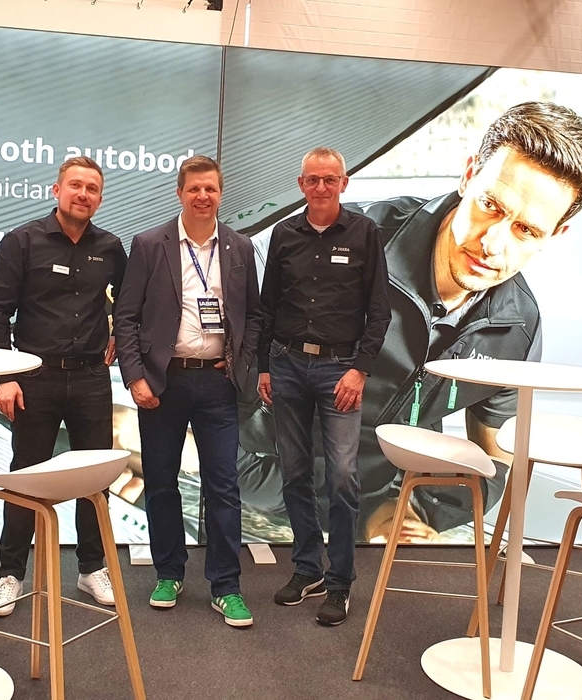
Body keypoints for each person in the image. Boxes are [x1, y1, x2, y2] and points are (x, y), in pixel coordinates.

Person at [239, 101, 582, 557]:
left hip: (369, 517)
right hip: (247, 492)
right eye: (490, 205)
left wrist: (411, 511)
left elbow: (495, 460)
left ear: (556, 235)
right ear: (469, 175)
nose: (492, 244)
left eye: (526, 230)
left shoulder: (517, 327)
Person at [113, 155, 262, 627]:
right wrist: (135, 376)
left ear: (221, 193)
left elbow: (254, 316)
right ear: (179, 193)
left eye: (210, 189)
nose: (202, 196)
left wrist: (239, 362)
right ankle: (169, 573)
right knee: (160, 481)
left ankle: (226, 585)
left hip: (217, 383)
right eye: (194, 188)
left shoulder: (239, 247)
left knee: (223, 484)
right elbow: (126, 317)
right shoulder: (149, 244)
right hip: (163, 381)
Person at [0, 155, 128, 615]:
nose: (83, 194)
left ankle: (91, 568)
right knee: (25, 477)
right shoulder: (22, 241)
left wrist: (118, 334)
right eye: (75, 186)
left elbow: (128, 305)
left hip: (91, 378)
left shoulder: (110, 247)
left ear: (100, 198)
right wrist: (5, 377)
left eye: (92, 189)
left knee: (94, 477)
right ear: (57, 190)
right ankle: (11, 575)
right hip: (34, 378)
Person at [258, 147, 392, 626]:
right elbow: (267, 306)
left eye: (329, 179)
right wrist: (264, 367)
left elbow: (379, 311)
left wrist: (361, 370)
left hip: (340, 371)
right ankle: (307, 568)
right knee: (294, 472)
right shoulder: (284, 234)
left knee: (341, 477)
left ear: (343, 183)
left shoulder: (365, 233)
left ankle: (340, 582)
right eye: (312, 179)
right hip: (287, 365)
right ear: (301, 184)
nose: (320, 187)